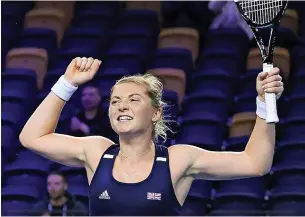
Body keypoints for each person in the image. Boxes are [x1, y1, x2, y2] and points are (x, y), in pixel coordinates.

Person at [20, 57, 284, 215]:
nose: (121, 105)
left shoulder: (179, 160)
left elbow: (255, 163)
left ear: (156, 113)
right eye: (115, 101)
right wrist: (68, 84)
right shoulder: (97, 152)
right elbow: (32, 137)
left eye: (134, 100)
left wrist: (263, 103)